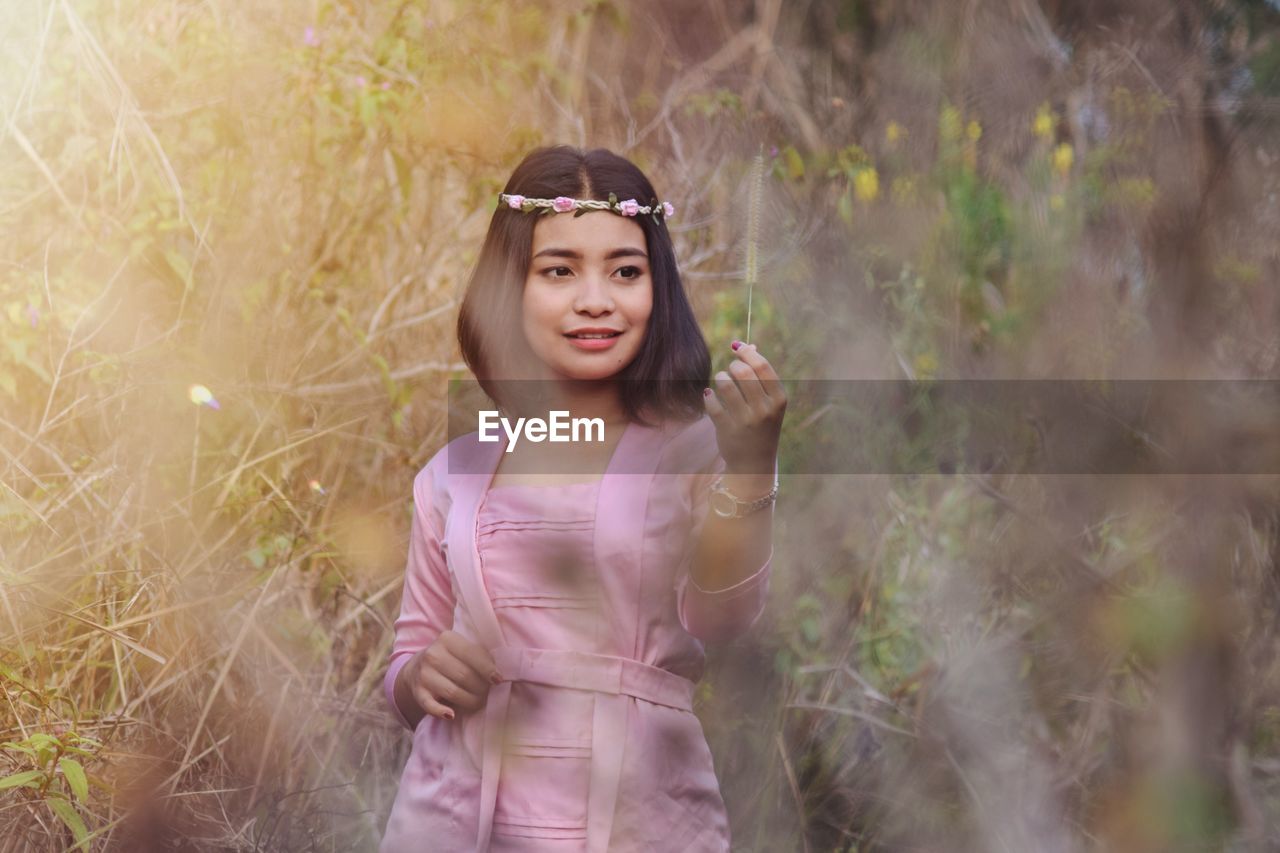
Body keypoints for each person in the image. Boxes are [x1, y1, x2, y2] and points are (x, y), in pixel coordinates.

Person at [380, 145, 786, 852]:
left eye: (625, 271)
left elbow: (721, 618)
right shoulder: (456, 470)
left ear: (655, 288)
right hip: (450, 820)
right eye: (559, 270)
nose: (595, 298)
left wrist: (751, 467)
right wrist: (421, 676)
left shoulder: (693, 451)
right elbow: (410, 656)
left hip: (642, 823)